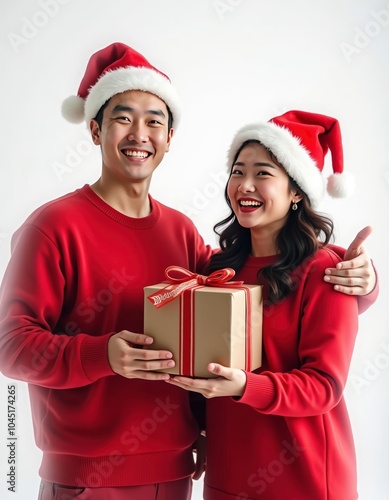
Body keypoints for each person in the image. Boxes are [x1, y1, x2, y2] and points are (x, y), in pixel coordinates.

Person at [0, 41, 376, 499]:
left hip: (181, 472)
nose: (140, 133)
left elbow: (256, 280)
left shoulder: (180, 232)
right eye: (123, 117)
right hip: (89, 477)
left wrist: (356, 278)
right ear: (95, 130)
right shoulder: (52, 226)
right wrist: (104, 355)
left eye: (155, 121)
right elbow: (11, 347)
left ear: (169, 139)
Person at [167, 110, 376, 499]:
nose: (245, 184)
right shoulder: (217, 269)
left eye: (263, 173)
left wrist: (246, 385)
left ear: (296, 191)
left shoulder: (324, 271)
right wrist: (198, 427)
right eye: (237, 171)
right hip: (228, 473)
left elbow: (323, 386)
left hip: (304, 477)